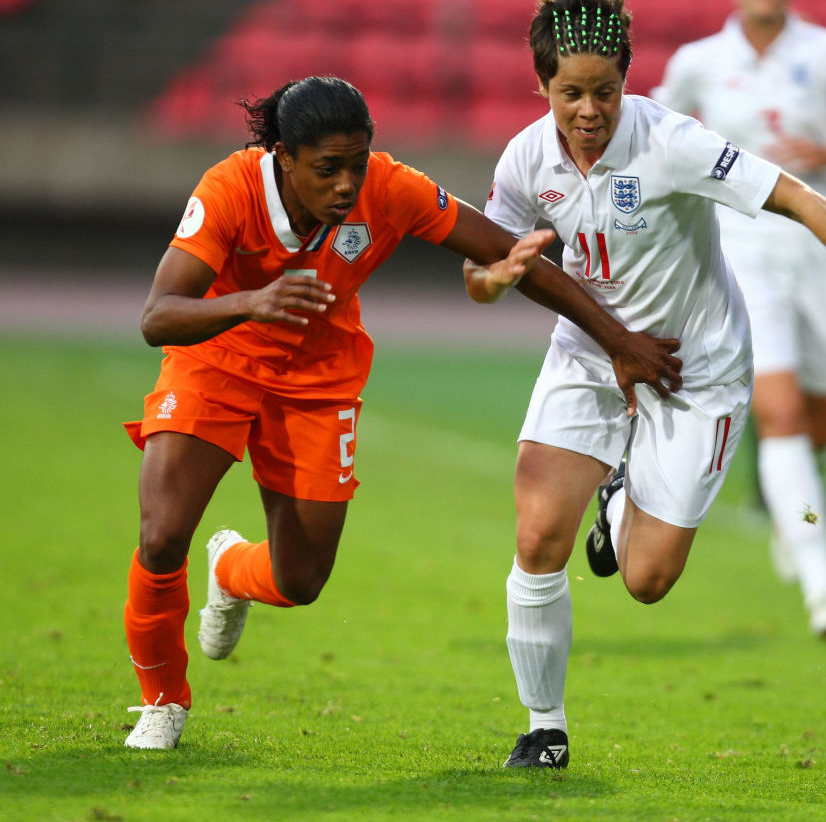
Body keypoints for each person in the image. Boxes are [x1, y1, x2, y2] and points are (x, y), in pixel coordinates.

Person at [120, 75, 683, 750]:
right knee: (161, 535)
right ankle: (162, 700)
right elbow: (159, 317)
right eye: (327, 169)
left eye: (357, 164)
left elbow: (507, 254)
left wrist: (618, 340)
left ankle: (231, 570)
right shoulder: (230, 189)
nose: (346, 185)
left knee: (300, 580)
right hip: (218, 357)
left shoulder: (388, 189)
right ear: (283, 157)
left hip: (320, 377)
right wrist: (250, 301)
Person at [464, 0, 826, 768]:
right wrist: (491, 281)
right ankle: (544, 728)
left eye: (605, 90)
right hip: (590, 352)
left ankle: (620, 500)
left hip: (696, 367)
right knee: (536, 536)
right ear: (541, 85)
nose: (589, 110)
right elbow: (481, 271)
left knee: (647, 581)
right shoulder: (525, 159)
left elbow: (796, 195)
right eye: (570, 92)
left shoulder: (671, 142)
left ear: (627, 75)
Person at [650, 0, 826, 635]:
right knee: (780, 411)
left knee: (816, 425)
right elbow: (658, 131)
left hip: (822, 241)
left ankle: (795, 503)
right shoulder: (699, 62)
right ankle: (823, 587)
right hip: (744, 243)